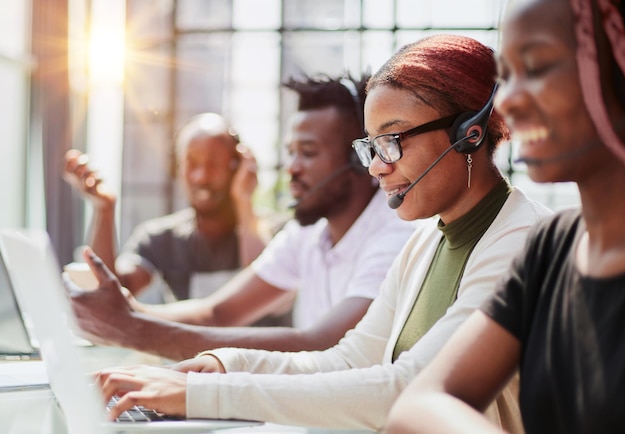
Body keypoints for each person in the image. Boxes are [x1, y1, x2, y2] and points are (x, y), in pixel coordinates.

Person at [91, 35, 553, 432]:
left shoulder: (522, 243)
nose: (377, 166)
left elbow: (407, 389)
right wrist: (224, 364)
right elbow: (348, 360)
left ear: (468, 132)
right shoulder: (426, 242)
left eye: (393, 140)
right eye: (370, 146)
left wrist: (205, 394)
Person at [384, 1, 625, 433]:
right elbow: (419, 399)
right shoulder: (553, 248)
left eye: (537, 68)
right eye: (506, 78)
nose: (508, 102)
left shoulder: (523, 232)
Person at [65, 73, 417, 361]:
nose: (292, 168)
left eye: (307, 153)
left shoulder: (395, 234)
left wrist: (132, 328)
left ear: (359, 159)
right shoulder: (307, 233)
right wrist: (124, 311)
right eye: (291, 152)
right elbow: (216, 314)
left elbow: (324, 345)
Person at [63, 113, 266, 301]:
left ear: (237, 166)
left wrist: (244, 199)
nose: (201, 177)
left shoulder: (275, 234)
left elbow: (264, 288)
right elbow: (110, 292)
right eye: (191, 163)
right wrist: (104, 209)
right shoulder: (161, 239)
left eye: (214, 164)